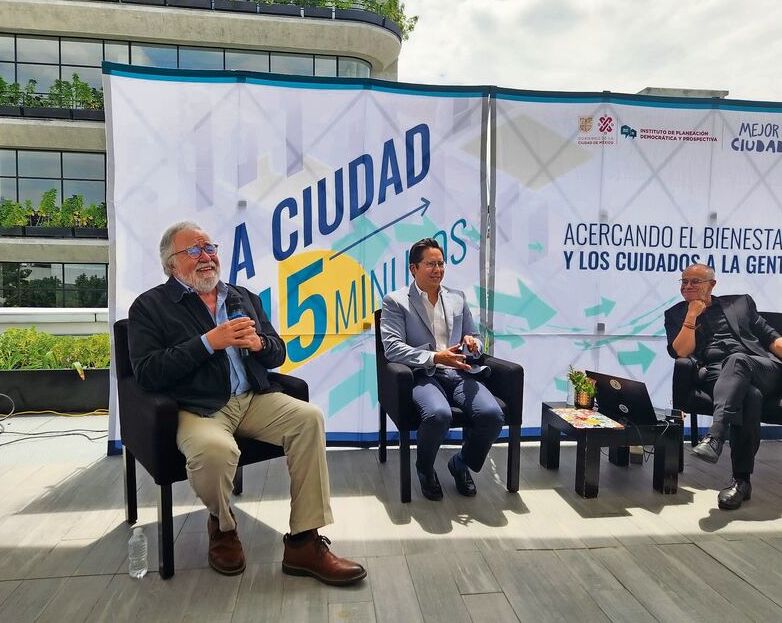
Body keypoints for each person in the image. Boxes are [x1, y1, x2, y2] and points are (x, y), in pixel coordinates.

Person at [127, 221, 365, 585]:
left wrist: (258, 346)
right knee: (214, 452)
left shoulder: (242, 296)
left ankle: (304, 540)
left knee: (309, 418)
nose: (206, 257)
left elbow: (278, 352)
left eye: (210, 248)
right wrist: (209, 341)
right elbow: (146, 373)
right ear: (171, 264)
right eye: (193, 251)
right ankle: (222, 526)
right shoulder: (150, 306)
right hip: (198, 407)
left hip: (253, 399)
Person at [664, 263, 782, 510]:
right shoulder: (675, 314)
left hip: (761, 368)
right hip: (719, 375)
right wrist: (691, 316)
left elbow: (770, 336)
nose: (687, 286)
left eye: (695, 281)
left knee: (738, 360)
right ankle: (741, 481)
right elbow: (681, 352)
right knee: (749, 396)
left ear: (711, 285)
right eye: (684, 281)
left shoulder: (739, 303)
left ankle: (716, 434)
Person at [380, 237, 504, 501]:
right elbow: (392, 349)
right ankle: (425, 469)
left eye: (441, 263)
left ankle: (460, 463)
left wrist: (473, 344)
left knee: (492, 414)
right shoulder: (396, 301)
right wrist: (435, 357)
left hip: (459, 371)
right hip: (424, 374)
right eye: (430, 264)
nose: (438, 269)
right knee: (438, 415)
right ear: (413, 269)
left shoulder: (457, 298)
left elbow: (477, 340)